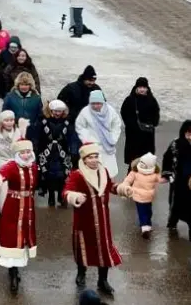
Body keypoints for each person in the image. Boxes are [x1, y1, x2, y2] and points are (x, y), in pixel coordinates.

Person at [63, 143, 133, 295]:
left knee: (104, 249)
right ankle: (81, 272)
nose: (94, 160)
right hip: (84, 220)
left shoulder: (103, 171)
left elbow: (110, 187)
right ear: (84, 159)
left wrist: (122, 189)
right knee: (83, 248)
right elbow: (66, 191)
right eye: (90, 157)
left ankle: (103, 280)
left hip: (102, 220)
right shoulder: (77, 174)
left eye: (96, 157)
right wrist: (74, 196)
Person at [0, 129, 38, 294]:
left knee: (23, 238)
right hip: (13, 207)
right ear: (17, 153)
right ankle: (13, 273)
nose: (25, 155)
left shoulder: (34, 167)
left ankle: (17, 269)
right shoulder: (11, 166)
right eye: (22, 152)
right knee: (12, 237)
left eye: (28, 151)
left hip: (28, 207)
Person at [75, 90, 123, 178]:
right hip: (92, 147)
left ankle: (107, 190)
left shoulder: (110, 111)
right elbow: (80, 126)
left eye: (98, 103)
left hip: (107, 147)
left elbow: (116, 124)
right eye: (93, 103)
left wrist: (113, 138)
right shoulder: (85, 112)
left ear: (102, 102)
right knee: (93, 175)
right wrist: (87, 140)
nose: (96, 106)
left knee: (108, 174)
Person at [37, 101, 76, 207]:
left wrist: (73, 151)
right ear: (50, 110)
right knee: (48, 175)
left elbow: (72, 137)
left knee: (63, 175)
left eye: (60, 111)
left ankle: (61, 195)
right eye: (55, 111)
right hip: (47, 153)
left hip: (62, 153)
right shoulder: (44, 122)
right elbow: (39, 137)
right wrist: (37, 150)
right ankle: (50, 196)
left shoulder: (67, 123)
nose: (58, 113)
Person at [119, 77, 160, 165]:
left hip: (147, 135)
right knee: (133, 163)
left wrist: (153, 123)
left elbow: (156, 113)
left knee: (147, 162)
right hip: (134, 135)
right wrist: (131, 125)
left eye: (144, 87)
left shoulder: (152, 100)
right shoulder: (130, 100)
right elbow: (124, 113)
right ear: (136, 88)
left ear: (147, 88)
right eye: (140, 87)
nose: (142, 89)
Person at [120, 153, 162, 239]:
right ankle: (145, 228)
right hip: (138, 196)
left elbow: (161, 179)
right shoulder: (135, 172)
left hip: (149, 197)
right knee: (142, 211)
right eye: (141, 162)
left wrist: (169, 178)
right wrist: (125, 185)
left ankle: (147, 223)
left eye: (144, 164)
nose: (142, 164)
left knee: (148, 211)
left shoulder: (154, 174)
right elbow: (128, 180)